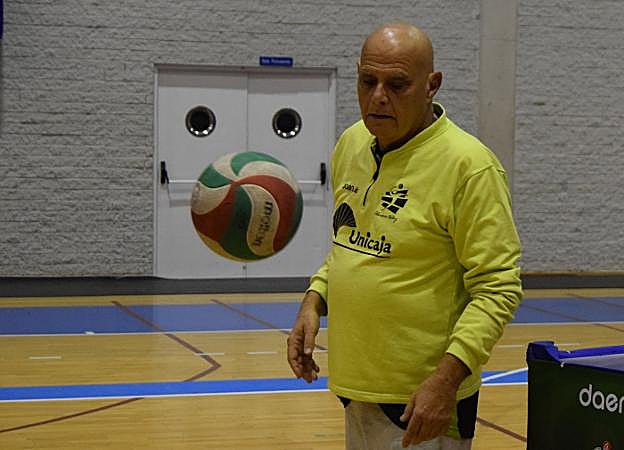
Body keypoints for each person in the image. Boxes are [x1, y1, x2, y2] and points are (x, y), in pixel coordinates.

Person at [287, 22, 523, 450]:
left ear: (432, 85)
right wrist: (314, 299)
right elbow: (349, 242)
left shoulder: (469, 167)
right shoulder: (352, 143)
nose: (378, 96)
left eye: (397, 85)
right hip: (356, 392)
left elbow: (498, 288)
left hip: (424, 404)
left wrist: (446, 382)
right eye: (368, 81)